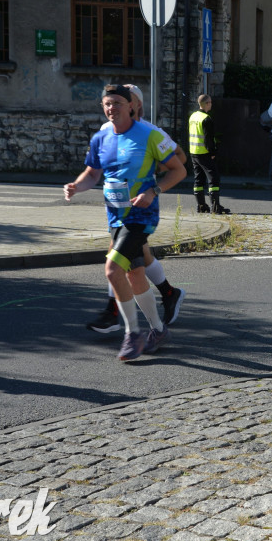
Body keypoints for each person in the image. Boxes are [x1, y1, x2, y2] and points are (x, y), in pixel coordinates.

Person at [64, 84, 187, 361]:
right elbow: (92, 174)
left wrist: (153, 190)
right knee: (133, 273)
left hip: (141, 216)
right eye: (107, 104)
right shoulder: (101, 137)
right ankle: (158, 328)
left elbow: (179, 169)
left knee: (112, 269)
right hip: (115, 215)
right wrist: (76, 186)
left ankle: (132, 334)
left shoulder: (150, 135)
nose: (112, 108)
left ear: (132, 106)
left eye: (118, 103)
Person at [188, 94, 231, 214]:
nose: (211, 104)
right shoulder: (206, 119)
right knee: (214, 178)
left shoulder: (193, 116)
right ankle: (216, 207)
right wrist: (212, 152)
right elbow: (209, 139)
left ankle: (201, 206)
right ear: (206, 104)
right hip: (204, 153)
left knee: (198, 179)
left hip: (193, 152)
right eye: (210, 102)